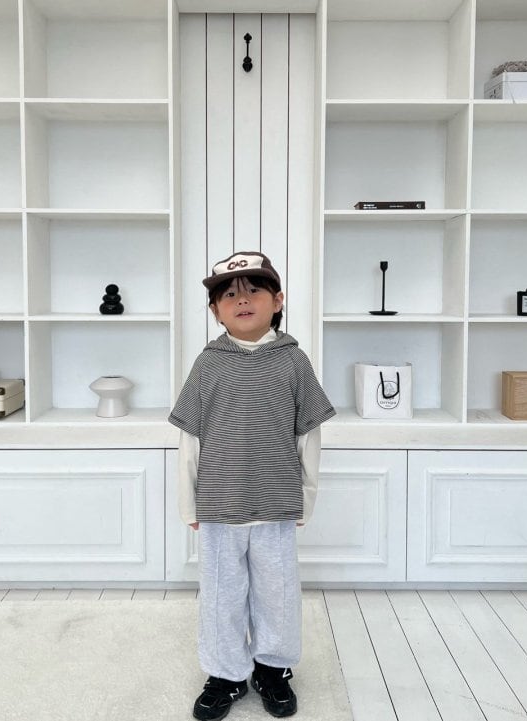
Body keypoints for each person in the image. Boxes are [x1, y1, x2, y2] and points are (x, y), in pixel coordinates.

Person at [169, 251, 336, 720]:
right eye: (229, 294)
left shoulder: (294, 362)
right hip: (219, 503)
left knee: (276, 593)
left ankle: (273, 669)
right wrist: (188, 503)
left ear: (277, 300)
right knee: (221, 593)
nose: (242, 300)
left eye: (254, 290)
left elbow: (308, 436)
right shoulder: (208, 365)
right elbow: (190, 438)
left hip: (275, 502)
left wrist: (305, 499)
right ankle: (225, 674)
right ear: (215, 311)